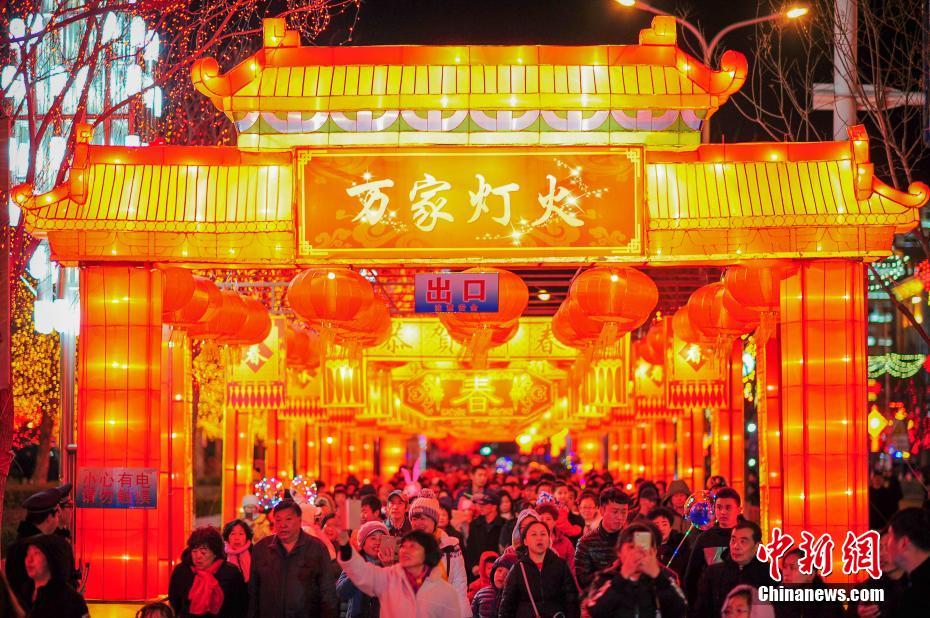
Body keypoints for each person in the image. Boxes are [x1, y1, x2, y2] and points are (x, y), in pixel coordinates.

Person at [337, 528, 462, 617]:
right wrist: (344, 543)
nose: (405, 551)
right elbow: (359, 571)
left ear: (427, 553)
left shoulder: (446, 592)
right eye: (403, 546)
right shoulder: (388, 578)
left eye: (412, 547)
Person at [248, 498, 338, 618]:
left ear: (299, 520)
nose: (283, 525)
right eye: (278, 520)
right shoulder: (262, 549)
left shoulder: (316, 548)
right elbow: (253, 594)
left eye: (288, 519)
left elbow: (328, 593)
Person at [582, 522, 687, 618]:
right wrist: (622, 578)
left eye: (643, 547)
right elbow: (595, 611)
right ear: (619, 552)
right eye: (631, 547)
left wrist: (658, 577)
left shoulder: (666, 577)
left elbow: (680, 609)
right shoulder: (606, 578)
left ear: (653, 551)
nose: (637, 553)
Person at [5, 483, 78, 600]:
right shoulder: (54, 548)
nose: (59, 516)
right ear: (49, 518)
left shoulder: (15, 548)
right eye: (57, 512)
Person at [498, 519, 579, 618]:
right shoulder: (518, 569)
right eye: (534, 534)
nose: (539, 538)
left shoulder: (560, 565)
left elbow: (572, 601)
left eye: (543, 534)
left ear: (549, 539)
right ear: (525, 541)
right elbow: (507, 607)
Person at [693, 520, 773, 618]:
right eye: (733, 540)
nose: (736, 546)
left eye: (743, 541)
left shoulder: (768, 573)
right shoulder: (713, 573)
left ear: (757, 546)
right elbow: (701, 611)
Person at [408, 490, 470, 616]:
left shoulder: (450, 546)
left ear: (434, 520)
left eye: (423, 518)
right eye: (414, 518)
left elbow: (459, 586)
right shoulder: (405, 548)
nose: (418, 523)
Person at [168, 526, 248, 618]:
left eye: (203, 552)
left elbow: (239, 606)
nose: (198, 556)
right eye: (194, 551)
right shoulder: (182, 571)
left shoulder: (230, 573)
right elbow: (175, 602)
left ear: (215, 553)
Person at [684, 487, 743, 604]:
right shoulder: (705, 539)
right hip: (711, 602)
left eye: (728, 508)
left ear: (739, 510)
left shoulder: (747, 536)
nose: (723, 512)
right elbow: (691, 576)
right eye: (719, 507)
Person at [574, 487, 632, 590]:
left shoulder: (633, 539)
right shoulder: (585, 543)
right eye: (615, 512)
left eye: (624, 512)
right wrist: (611, 569)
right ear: (601, 510)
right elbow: (583, 582)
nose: (620, 517)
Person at [18, 534, 88, 618]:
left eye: (36, 553)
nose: (29, 560)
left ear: (51, 558)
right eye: (28, 553)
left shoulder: (72, 600)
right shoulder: (22, 592)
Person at [848, 527, 906, 617]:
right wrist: (858, 615)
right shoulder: (864, 589)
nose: (880, 554)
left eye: (888, 547)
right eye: (879, 548)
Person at [337, 521, 390, 618]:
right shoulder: (354, 563)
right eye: (373, 538)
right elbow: (341, 592)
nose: (378, 543)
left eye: (381, 539)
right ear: (363, 543)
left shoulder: (392, 565)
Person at [884, 507, 930, 617]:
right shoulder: (907, 582)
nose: (886, 543)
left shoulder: (919, 595)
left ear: (904, 543)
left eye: (889, 536)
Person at [774, 548, 844, 618]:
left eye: (793, 568)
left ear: (811, 574)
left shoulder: (827, 603)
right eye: (784, 567)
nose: (786, 573)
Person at [465, 492, 505, 578]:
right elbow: (470, 548)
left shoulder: (504, 524)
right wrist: (473, 565)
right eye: (480, 504)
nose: (481, 507)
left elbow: (505, 549)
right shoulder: (475, 524)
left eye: (485, 504)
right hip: (478, 571)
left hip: (497, 571)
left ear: (494, 507)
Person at [649, 506, 690, 581]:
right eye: (656, 525)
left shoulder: (680, 544)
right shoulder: (647, 546)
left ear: (670, 527)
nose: (661, 528)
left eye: (664, 524)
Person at [535, 503, 576, 571]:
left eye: (548, 519)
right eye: (541, 519)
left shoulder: (565, 543)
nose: (544, 522)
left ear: (555, 521)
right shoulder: (531, 541)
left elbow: (572, 568)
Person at [222, 519, 253, 584]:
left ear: (247, 537)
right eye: (233, 534)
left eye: (241, 534)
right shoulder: (221, 555)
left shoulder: (254, 553)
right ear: (227, 537)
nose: (237, 538)